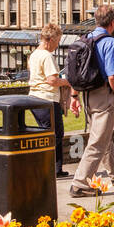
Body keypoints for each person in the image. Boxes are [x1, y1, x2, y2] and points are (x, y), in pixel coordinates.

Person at [70, 5, 114, 197]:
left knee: (102, 135)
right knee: (97, 141)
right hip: (104, 96)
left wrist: (74, 96)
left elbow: (76, 73)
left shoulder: (85, 39)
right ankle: (80, 183)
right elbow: (113, 76)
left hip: (87, 95)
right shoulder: (109, 43)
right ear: (113, 23)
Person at [28, 22, 75, 179]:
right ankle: (52, 169)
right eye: (57, 41)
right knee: (55, 135)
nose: (57, 44)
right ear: (50, 39)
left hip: (34, 98)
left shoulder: (34, 54)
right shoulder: (47, 56)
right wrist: (68, 82)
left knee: (47, 134)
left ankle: (54, 168)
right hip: (47, 99)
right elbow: (52, 81)